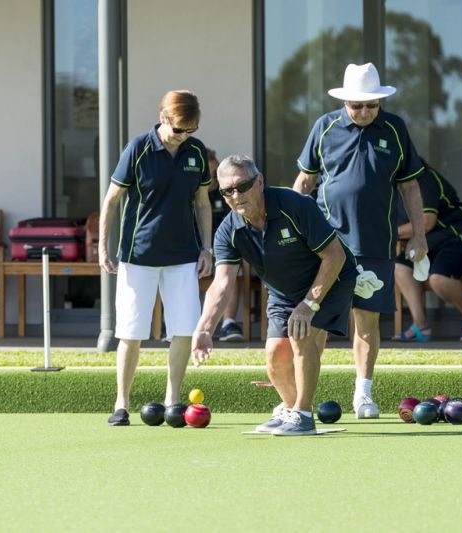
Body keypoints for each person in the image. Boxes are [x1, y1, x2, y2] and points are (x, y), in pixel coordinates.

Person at [293, 62, 428, 418]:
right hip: (326, 246)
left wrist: (419, 234)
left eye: (372, 105)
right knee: (316, 322)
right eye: (358, 105)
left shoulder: (395, 128)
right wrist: (291, 232)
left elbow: (410, 186)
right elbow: (304, 183)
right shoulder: (325, 126)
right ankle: (302, 399)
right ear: (345, 102)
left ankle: (363, 395)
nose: (365, 111)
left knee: (367, 321)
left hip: (375, 244)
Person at [192, 155, 357, 436]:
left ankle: (303, 415)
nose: (236, 196)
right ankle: (291, 408)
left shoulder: (295, 205)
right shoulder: (228, 231)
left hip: (331, 278)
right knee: (274, 354)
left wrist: (308, 304)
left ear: (259, 181)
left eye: (242, 186)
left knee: (301, 335)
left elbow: (335, 255)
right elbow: (222, 284)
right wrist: (205, 328)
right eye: (227, 191)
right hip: (282, 291)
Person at [99, 90, 213, 426]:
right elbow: (111, 200)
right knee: (131, 331)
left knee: (184, 329)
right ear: (163, 117)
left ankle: (173, 400)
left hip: (183, 255)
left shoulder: (196, 151)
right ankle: (121, 404)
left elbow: (202, 203)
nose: (184, 136)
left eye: (191, 130)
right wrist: (103, 248)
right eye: (179, 129)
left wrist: (206, 248)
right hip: (139, 255)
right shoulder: (138, 148)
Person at [393, 159, 462, 341]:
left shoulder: (425, 179)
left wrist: (389, 234)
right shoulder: (396, 190)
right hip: (432, 245)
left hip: (461, 238)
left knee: (438, 279)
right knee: (400, 267)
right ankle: (420, 325)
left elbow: (427, 222)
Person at [205, 148, 244, 342]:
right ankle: (179, 326)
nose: (213, 179)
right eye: (209, 174)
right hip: (198, 251)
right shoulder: (190, 194)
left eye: (216, 174)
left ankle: (229, 324)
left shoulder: (226, 194)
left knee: (232, 268)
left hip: (224, 248)